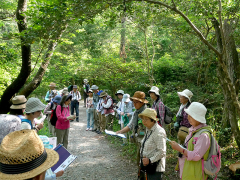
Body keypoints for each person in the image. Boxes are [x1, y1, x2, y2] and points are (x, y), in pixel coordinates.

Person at [169, 102, 211, 180]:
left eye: (191, 116)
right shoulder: (192, 130)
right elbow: (188, 147)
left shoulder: (203, 135)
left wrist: (179, 149)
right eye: (188, 115)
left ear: (198, 118)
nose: (188, 118)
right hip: (187, 170)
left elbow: (196, 156)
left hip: (195, 174)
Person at [116, 91, 148, 165]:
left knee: (145, 163)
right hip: (139, 141)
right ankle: (140, 175)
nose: (134, 104)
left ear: (142, 102)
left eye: (136, 102)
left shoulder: (147, 113)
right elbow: (130, 125)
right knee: (139, 161)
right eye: (133, 102)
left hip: (146, 143)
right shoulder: (136, 112)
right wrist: (120, 131)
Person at [138, 108, 166, 180]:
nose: (143, 121)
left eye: (146, 119)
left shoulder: (159, 132)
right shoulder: (148, 129)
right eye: (142, 119)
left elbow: (162, 151)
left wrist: (150, 160)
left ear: (153, 120)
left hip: (155, 168)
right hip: (146, 165)